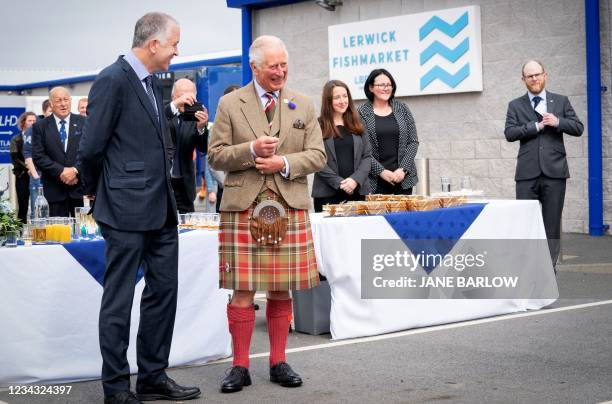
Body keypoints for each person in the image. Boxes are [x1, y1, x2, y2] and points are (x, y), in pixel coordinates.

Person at [77, 12, 200, 404]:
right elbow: (91, 149)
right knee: (120, 300)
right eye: (174, 44)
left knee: (163, 292)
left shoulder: (151, 84)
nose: (177, 51)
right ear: (154, 44)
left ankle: (152, 376)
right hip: (125, 210)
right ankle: (116, 388)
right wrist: (98, 194)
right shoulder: (112, 80)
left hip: (161, 207)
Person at [208, 35, 326, 394]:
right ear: (255, 67)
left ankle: (278, 361)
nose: (280, 71)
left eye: (284, 64)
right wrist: (250, 150)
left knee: (280, 289)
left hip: (288, 206)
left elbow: (318, 155)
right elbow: (215, 155)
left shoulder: (302, 104)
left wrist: (284, 163)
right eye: (273, 66)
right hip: (243, 207)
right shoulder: (230, 103)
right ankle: (239, 366)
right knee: (242, 290)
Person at [504, 60, 584, 269]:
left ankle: (548, 271)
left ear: (545, 75)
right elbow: (510, 133)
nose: (534, 79)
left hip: (555, 172)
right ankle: (528, 269)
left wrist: (558, 122)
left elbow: (578, 127)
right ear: (523, 80)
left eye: (537, 74)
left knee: (551, 225)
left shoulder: (561, 101)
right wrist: (536, 126)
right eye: (530, 76)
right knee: (525, 224)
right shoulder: (515, 105)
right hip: (526, 174)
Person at [312, 80, 371, 212]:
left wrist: (355, 180)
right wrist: (340, 183)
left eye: (345, 96)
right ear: (328, 101)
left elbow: (367, 156)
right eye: (337, 97)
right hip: (327, 194)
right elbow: (315, 158)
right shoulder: (318, 125)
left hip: (358, 192)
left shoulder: (358, 123)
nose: (342, 101)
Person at [358, 68, 419, 195]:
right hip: (374, 181)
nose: (386, 88)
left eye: (389, 85)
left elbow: (413, 142)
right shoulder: (361, 113)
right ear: (371, 88)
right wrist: (381, 171)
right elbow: (362, 149)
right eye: (381, 85)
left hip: (403, 179)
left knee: (404, 215)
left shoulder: (402, 108)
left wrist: (403, 170)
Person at [31, 86, 84, 217]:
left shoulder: (84, 123)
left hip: (78, 188)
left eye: (66, 99)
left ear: (70, 101)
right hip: (54, 191)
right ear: (51, 104)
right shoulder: (40, 126)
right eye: (59, 100)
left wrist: (75, 170)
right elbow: (38, 156)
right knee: (57, 235)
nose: (63, 104)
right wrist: (62, 171)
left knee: (82, 234)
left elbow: (90, 152)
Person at [164, 78, 209, 213]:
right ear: (174, 97)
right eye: (182, 96)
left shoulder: (195, 116)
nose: (187, 100)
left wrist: (201, 128)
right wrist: (176, 105)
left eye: (191, 96)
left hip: (184, 183)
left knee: (188, 223)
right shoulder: (164, 111)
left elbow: (203, 148)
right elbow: (156, 122)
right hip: (164, 181)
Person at [24, 101, 51, 219]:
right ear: (44, 112)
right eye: (50, 111)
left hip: (56, 176)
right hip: (39, 177)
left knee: (55, 213)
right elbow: (27, 154)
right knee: (38, 212)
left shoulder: (62, 126)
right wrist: (36, 176)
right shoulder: (35, 128)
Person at [10, 112, 37, 222]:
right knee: (23, 206)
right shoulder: (16, 139)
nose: (32, 123)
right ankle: (21, 233)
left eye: (34, 121)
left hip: (38, 176)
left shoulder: (40, 138)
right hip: (23, 176)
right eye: (29, 120)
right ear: (23, 122)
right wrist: (30, 168)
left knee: (37, 205)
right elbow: (15, 159)